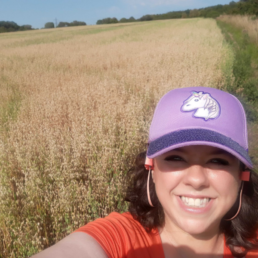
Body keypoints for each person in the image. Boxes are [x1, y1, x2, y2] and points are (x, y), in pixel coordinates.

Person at [32, 87, 258, 258]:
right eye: (175, 158)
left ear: (242, 175)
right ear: (150, 167)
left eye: (218, 161)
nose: (196, 179)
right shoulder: (122, 240)